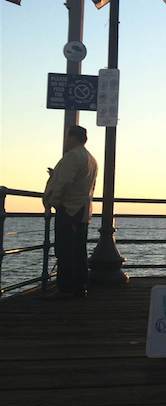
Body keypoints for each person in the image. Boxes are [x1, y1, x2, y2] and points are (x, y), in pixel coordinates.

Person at [43, 126, 98, 297]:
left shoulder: (72, 157)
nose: (66, 140)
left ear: (73, 137)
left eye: (67, 137)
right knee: (79, 249)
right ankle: (80, 286)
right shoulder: (90, 158)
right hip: (82, 209)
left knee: (65, 249)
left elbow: (65, 183)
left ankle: (65, 288)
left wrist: (54, 201)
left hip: (69, 208)